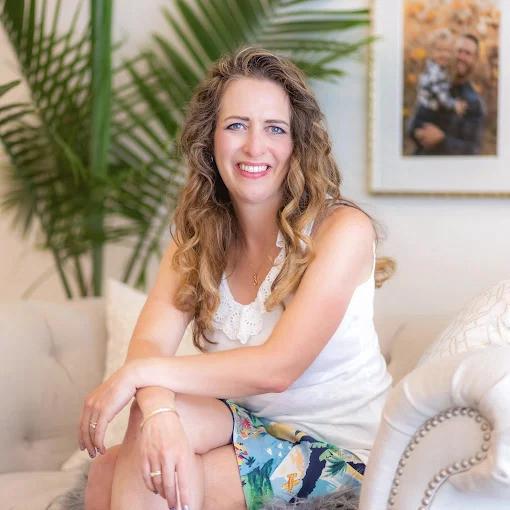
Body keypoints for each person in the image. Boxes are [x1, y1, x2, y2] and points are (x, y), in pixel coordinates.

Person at [80, 47, 392, 510]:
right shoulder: (196, 236)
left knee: (139, 475)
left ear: (297, 144)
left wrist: (138, 376)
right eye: (236, 125)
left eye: (275, 128)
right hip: (251, 429)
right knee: (136, 445)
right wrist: (158, 409)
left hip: (343, 454)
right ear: (210, 138)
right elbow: (149, 344)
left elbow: (277, 369)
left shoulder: (342, 230)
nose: (254, 147)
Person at [408, 33, 485, 155]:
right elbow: (413, 125)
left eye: (468, 53)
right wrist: (417, 132)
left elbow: (473, 149)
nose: (461, 57)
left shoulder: (474, 102)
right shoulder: (435, 83)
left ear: (475, 60)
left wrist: (441, 140)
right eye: (459, 51)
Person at [412, 28, 467, 134]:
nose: (444, 55)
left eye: (447, 51)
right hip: (426, 113)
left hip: (429, 109)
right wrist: (454, 104)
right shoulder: (435, 72)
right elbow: (441, 96)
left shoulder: (436, 67)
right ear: (431, 52)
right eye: (439, 50)